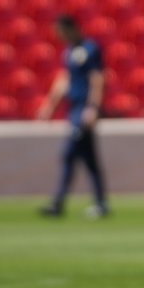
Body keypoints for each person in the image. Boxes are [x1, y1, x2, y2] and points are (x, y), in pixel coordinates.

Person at [36, 14, 110, 218]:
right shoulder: (69, 51)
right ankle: (101, 203)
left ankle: (58, 202)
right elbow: (65, 79)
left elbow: (97, 79)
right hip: (73, 109)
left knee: (70, 154)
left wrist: (93, 107)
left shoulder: (90, 49)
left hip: (83, 109)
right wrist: (50, 105)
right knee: (89, 159)